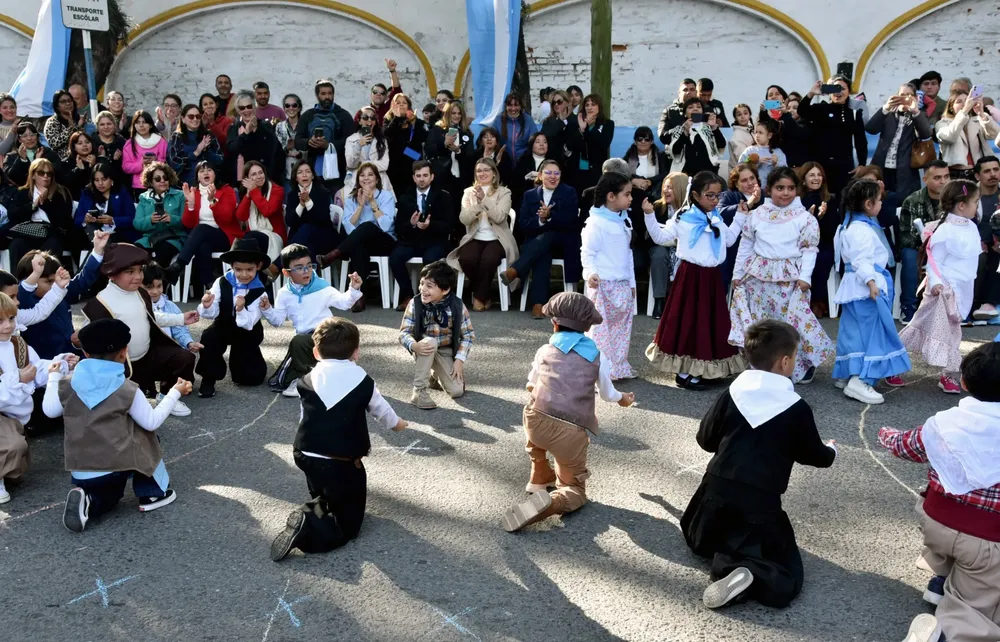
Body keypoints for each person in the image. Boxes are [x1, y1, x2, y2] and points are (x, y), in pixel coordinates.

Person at [680, 320, 837, 609]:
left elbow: (705, 438)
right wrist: (831, 452)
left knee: (701, 539)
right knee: (783, 567)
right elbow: (813, 455)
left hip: (714, 491)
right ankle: (745, 569)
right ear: (785, 361)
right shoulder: (795, 407)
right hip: (759, 501)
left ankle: (728, 561)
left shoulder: (733, 392)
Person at [879, 342, 1000, 642]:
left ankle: (940, 579)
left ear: (964, 382)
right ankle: (948, 633)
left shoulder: (944, 423)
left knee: (948, 523)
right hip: (985, 542)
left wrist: (887, 434)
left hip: (936, 523)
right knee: (979, 601)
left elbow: (906, 446)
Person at [269, 317, 407, 562]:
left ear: (315, 352)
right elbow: (381, 410)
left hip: (304, 452)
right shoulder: (362, 380)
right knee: (349, 525)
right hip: (341, 461)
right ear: (356, 352)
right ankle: (309, 521)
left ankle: (321, 504)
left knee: (325, 489)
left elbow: (305, 415)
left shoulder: (306, 380)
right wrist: (397, 425)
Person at [501, 292, 634, 532]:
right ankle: (554, 501)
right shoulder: (597, 356)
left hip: (536, 423)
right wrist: (623, 399)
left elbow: (532, 382)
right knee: (575, 490)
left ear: (554, 323)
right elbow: (607, 394)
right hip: (569, 433)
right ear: (587, 326)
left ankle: (539, 475)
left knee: (534, 407)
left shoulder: (544, 350)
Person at [45, 318, 190, 529]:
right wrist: (174, 393)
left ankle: (87, 499)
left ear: (85, 353)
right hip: (114, 464)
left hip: (80, 468)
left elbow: (50, 411)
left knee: (106, 501)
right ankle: (152, 494)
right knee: (146, 435)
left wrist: (54, 377)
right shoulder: (126, 388)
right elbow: (151, 422)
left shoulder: (67, 384)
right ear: (124, 352)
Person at [729, 167, 833, 384]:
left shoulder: (805, 218)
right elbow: (746, 245)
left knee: (791, 324)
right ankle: (763, 364)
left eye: (790, 188)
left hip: (790, 280)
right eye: (779, 188)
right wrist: (737, 274)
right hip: (758, 278)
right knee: (762, 325)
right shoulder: (756, 215)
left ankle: (800, 365)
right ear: (769, 189)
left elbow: (809, 249)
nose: (785, 193)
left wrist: (806, 277)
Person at [645, 171, 748, 390]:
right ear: (695, 194)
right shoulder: (683, 216)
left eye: (717, 196)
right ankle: (684, 373)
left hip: (711, 277)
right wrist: (649, 216)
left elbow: (728, 240)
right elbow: (661, 238)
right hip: (691, 276)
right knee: (689, 322)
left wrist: (740, 216)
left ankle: (704, 368)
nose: (714, 200)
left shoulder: (715, 216)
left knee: (710, 323)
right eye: (709, 195)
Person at [82, 243, 199, 416]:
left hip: (148, 354)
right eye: (130, 272)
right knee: (131, 412)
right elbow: (88, 337)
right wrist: (78, 340)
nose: (138, 277)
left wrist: (180, 318)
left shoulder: (140, 293)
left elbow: (152, 315)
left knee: (184, 357)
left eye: (140, 270)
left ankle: (166, 395)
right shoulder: (99, 304)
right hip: (123, 366)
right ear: (112, 274)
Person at [832, 180, 912, 404]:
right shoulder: (861, 230)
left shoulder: (847, 226)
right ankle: (862, 379)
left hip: (854, 287)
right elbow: (861, 260)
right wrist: (871, 282)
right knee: (875, 333)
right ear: (869, 204)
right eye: (879, 201)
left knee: (854, 331)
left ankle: (849, 371)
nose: (880, 205)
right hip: (866, 288)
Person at [900, 179, 982, 394]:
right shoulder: (945, 230)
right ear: (962, 205)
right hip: (943, 290)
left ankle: (947, 373)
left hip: (962, 288)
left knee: (950, 330)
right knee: (927, 327)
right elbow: (933, 261)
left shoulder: (971, 227)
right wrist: (937, 284)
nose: (977, 206)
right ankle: (948, 373)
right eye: (975, 201)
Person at [0, 292, 77, 504]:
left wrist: (60, 363)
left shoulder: (18, 344)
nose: (7, 326)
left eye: (11, 319)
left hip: (14, 413)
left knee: (18, 461)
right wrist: (18, 378)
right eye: (0, 321)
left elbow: (38, 368)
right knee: (12, 447)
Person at [262, 244, 362, 397]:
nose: (306, 271)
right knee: (299, 344)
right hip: (307, 342)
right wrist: (267, 309)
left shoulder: (321, 287)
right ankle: (314, 378)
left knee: (299, 341)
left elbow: (344, 303)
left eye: (309, 266)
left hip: (327, 336)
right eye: (299, 267)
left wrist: (353, 289)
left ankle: (306, 381)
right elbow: (277, 321)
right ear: (286, 273)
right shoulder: (284, 293)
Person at [501, 159, 581, 319]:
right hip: (538, 243)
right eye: (549, 173)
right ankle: (539, 304)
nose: (553, 176)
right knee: (542, 252)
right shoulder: (530, 195)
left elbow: (572, 221)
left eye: (556, 173)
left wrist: (551, 216)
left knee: (548, 236)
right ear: (540, 175)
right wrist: (540, 221)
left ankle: (515, 270)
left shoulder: (569, 192)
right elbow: (523, 225)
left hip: (563, 241)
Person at [195, 238, 272, 398]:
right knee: (209, 337)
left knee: (250, 378)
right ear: (231, 266)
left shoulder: (259, 290)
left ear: (258, 266)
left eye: (250, 269)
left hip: (247, 331)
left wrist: (241, 308)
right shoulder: (222, 282)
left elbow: (249, 323)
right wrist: (207, 305)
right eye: (238, 269)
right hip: (223, 325)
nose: (244, 274)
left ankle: (243, 362)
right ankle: (209, 378)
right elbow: (211, 313)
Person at [17, 231, 107, 361]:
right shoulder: (24, 303)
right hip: (43, 365)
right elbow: (22, 293)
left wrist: (97, 250)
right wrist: (36, 273)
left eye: (56, 280)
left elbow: (83, 280)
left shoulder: (61, 291)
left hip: (72, 357)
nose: (55, 285)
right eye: (48, 281)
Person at [319, 162, 397, 312]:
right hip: (359, 242)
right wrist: (361, 206)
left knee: (367, 226)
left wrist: (373, 203)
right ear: (358, 179)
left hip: (384, 241)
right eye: (362, 175)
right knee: (358, 244)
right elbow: (349, 229)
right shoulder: (352, 199)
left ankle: (335, 254)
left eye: (370, 175)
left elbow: (386, 226)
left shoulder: (386, 196)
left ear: (377, 179)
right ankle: (359, 295)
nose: (366, 178)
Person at [582, 172, 637, 379]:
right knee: (600, 331)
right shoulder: (596, 223)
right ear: (611, 196)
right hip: (603, 285)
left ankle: (618, 366)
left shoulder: (623, 221)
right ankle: (600, 371)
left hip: (621, 284)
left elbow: (628, 253)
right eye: (627, 194)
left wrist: (631, 282)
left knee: (621, 330)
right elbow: (587, 252)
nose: (630, 198)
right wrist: (591, 273)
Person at [398, 260, 474, 409]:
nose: (423, 289)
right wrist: (414, 345)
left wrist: (459, 360)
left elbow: (468, 336)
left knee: (457, 391)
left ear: (445, 290)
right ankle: (418, 391)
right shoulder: (416, 303)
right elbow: (404, 333)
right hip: (423, 348)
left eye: (429, 286)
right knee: (430, 342)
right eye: (421, 283)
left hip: (446, 350)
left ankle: (435, 376)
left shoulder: (457, 306)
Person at [448, 158, 516, 312]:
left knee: (489, 259)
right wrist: (478, 204)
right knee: (466, 258)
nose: (482, 173)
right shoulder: (468, 192)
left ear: (494, 173)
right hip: (474, 237)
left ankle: (479, 297)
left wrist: (485, 200)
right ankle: (485, 295)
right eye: (479, 170)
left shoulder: (504, 192)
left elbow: (499, 217)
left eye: (486, 170)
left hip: (497, 238)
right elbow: (464, 219)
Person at [164, 161, 240, 291]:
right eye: (201, 171)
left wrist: (213, 201)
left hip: (224, 236)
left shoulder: (227, 190)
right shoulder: (195, 193)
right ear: (197, 176)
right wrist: (191, 204)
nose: (205, 173)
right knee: (203, 245)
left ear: (215, 174)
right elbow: (187, 224)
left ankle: (178, 266)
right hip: (201, 238)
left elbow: (226, 218)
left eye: (209, 170)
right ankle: (210, 285)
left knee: (201, 228)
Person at [389, 161, 453, 311]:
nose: (422, 179)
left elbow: (449, 225)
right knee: (396, 257)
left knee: (431, 259)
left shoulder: (443, 197)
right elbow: (398, 228)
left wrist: (430, 225)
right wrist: (412, 224)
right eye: (418, 176)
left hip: (434, 241)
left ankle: (430, 298)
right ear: (413, 178)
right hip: (412, 241)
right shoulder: (405, 197)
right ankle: (408, 297)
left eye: (425, 175)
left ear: (432, 177)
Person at [899, 160, 951, 322]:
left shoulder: (956, 199)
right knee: (908, 255)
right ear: (925, 179)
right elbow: (905, 235)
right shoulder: (912, 200)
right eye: (937, 178)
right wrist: (925, 244)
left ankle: (960, 307)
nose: (943, 181)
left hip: (949, 248)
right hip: (920, 247)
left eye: (946, 176)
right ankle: (909, 307)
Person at [797, 78, 867, 194]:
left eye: (843, 88)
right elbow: (802, 111)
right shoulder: (821, 109)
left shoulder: (854, 114)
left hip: (844, 166)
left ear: (849, 91)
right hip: (822, 166)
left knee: (841, 199)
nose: (839, 92)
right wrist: (812, 93)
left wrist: (862, 164)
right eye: (835, 88)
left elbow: (861, 141)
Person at [6, 158, 77, 271]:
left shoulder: (60, 194)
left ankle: (47, 281)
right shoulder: (22, 192)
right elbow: (13, 214)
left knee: (53, 244)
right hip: (27, 232)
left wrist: (45, 203)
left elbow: (65, 220)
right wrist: (33, 206)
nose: (46, 176)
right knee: (16, 245)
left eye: (49, 174)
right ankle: (18, 283)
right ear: (33, 175)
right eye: (41, 173)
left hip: (51, 232)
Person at [867, 83, 932, 199]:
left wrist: (915, 112)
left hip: (905, 170)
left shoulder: (918, 115)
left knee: (902, 203)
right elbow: (871, 129)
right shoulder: (888, 113)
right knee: (877, 199)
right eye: (902, 95)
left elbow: (926, 134)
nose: (905, 98)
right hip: (882, 168)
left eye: (909, 95)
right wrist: (885, 108)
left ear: (916, 98)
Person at [294, 79, 356, 194]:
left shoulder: (344, 115)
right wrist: (309, 142)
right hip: (313, 170)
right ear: (317, 95)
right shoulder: (308, 116)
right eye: (323, 94)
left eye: (330, 93)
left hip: (338, 170)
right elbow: (297, 140)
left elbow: (351, 141)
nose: (327, 97)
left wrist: (329, 145)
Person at [797, 162, 839, 317]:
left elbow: (832, 231)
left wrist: (821, 218)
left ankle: (817, 300)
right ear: (804, 179)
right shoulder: (797, 200)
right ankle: (801, 300)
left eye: (819, 174)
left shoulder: (830, 200)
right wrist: (810, 218)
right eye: (812, 175)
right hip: (800, 244)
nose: (816, 178)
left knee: (823, 257)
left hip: (823, 243)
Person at [644, 172, 687, 318]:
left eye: (671, 188)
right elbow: (649, 236)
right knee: (659, 254)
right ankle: (659, 301)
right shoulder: (656, 207)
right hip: (659, 246)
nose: (666, 191)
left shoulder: (690, 211)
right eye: (665, 187)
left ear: (681, 189)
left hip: (683, 248)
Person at [284, 160, 338, 265]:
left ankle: (279, 264)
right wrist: (301, 205)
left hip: (323, 236)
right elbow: (290, 221)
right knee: (308, 246)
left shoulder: (322, 193)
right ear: (296, 178)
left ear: (312, 176)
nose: (304, 175)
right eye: (300, 172)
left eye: (308, 171)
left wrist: (308, 202)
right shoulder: (292, 195)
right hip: (302, 240)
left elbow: (321, 219)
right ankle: (311, 279)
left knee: (307, 228)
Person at [133, 162, 187, 268]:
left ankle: (159, 282)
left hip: (173, 237)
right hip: (150, 238)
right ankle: (143, 282)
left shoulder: (180, 195)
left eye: (165, 178)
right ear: (151, 182)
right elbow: (136, 223)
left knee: (163, 251)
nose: (162, 181)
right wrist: (150, 220)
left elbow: (187, 221)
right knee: (136, 252)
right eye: (157, 179)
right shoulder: (144, 198)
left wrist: (172, 219)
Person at [718, 163, 763, 289]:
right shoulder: (729, 195)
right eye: (744, 180)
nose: (750, 183)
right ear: (736, 184)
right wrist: (748, 204)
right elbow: (720, 213)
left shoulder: (766, 196)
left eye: (752, 178)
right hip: (735, 248)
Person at [935, 90, 999, 180]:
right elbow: (949, 137)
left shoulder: (976, 121)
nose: (965, 104)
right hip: (955, 173)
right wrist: (964, 111)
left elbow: (994, 134)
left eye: (967, 100)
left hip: (978, 171)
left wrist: (981, 113)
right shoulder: (942, 123)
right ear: (951, 107)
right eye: (959, 101)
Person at [424, 101, 474, 211]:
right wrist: (444, 144)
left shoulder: (467, 133)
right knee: (443, 208)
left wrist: (459, 152)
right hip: (442, 176)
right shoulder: (438, 129)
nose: (457, 116)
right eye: (453, 113)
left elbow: (470, 157)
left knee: (459, 208)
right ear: (448, 114)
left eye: (459, 113)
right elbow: (429, 150)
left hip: (461, 178)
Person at [142, 263, 202, 355]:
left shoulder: (170, 306)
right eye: (149, 287)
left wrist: (189, 343)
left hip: (167, 349)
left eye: (159, 286)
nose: (155, 291)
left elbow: (180, 329)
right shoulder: (137, 306)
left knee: (186, 357)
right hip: (145, 351)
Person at [236, 160, 286, 266]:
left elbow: (267, 211)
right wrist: (248, 196)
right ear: (247, 179)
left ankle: (236, 268)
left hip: (274, 236)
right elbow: (241, 216)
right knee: (252, 241)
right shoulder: (248, 193)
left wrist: (254, 192)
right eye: (254, 174)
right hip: (254, 238)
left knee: (250, 238)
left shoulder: (277, 190)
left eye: (261, 172)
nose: (259, 176)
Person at [227, 90, 282, 185]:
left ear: (254, 107)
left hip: (265, 179)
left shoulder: (266, 126)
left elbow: (276, 153)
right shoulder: (234, 128)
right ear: (238, 110)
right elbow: (232, 150)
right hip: (244, 180)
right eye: (242, 108)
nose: (246, 110)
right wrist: (246, 132)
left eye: (249, 106)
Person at [74, 163, 136, 242]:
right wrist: (85, 219)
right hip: (92, 236)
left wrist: (113, 220)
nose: (100, 183)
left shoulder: (121, 192)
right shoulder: (86, 193)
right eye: (96, 180)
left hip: (119, 235)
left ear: (111, 179)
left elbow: (132, 218)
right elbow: (77, 220)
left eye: (104, 179)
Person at [667, 97, 726, 176]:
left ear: (702, 111)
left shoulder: (709, 128)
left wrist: (714, 128)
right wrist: (685, 132)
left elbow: (721, 145)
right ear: (685, 113)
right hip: (685, 175)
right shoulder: (679, 129)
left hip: (708, 174)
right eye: (690, 107)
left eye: (698, 107)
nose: (695, 109)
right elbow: (675, 151)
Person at [168, 104, 224, 186]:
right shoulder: (177, 137)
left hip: (209, 185)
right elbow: (174, 163)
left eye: (198, 116)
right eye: (191, 116)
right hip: (184, 185)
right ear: (183, 119)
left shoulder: (208, 135)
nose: (195, 119)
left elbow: (220, 159)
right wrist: (195, 153)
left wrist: (206, 151)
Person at [973, 155, 1000, 320]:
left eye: (996, 170)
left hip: (998, 246)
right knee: (980, 258)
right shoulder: (968, 195)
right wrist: (976, 243)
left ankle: (989, 304)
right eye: (987, 171)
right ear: (977, 176)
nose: (993, 174)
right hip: (975, 246)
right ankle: (974, 305)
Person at [383, 93, 427, 195]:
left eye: (404, 102)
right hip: (394, 168)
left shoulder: (417, 123)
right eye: (398, 102)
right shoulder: (388, 120)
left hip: (412, 167)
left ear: (409, 106)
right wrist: (397, 119)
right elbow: (386, 136)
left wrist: (404, 150)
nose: (401, 105)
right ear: (393, 105)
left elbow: (417, 147)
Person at [344, 106, 393, 195]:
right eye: (365, 117)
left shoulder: (382, 140)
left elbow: (385, 165)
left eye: (373, 118)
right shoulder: (351, 139)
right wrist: (359, 145)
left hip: (380, 183)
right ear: (359, 121)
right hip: (358, 183)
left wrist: (362, 164)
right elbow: (350, 164)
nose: (369, 120)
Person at [540, 91, 582, 191]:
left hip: (572, 167)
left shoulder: (576, 120)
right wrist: (561, 122)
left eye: (559, 101)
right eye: (553, 103)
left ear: (567, 102)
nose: (556, 104)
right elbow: (548, 136)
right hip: (554, 165)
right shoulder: (548, 121)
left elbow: (578, 142)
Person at [575, 94, 615, 194]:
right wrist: (582, 129)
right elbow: (574, 145)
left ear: (599, 106)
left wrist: (592, 127)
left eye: (593, 104)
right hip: (579, 170)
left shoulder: (608, 124)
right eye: (587, 105)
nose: (589, 107)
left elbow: (604, 143)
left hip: (597, 170)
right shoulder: (579, 122)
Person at [121, 111, 167, 196]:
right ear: (134, 125)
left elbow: (166, 161)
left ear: (150, 125)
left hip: (159, 183)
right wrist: (141, 163)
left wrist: (155, 162)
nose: (141, 125)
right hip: (139, 186)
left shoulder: (161, 141)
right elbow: (126, 167)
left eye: (144, 122)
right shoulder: (129, 144)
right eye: (138, 122)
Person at [511, 132, 551, 226]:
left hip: (546, 201)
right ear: (531, 145)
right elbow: (515, 184)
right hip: (525, 201)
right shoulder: (523, 160)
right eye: (537, 142)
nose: (541, 144)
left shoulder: (553, 162)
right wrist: (528, 181)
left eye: (544, 142)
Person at [493, 92, 537, 176]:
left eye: (516, 105)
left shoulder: (528, 120)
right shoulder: (498, 120)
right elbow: (492, 138)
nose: (513, 108)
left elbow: (534, 140)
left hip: (523, 164)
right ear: (505, 106)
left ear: (520, 106)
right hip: (504, 164)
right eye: (510, 105)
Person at [3, 122, 59, 188]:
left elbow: (57, 174)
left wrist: (40, 163)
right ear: (19, 139)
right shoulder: (11, 156)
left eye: (32, 135)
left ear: (37, 137)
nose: (29, 138)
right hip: (22, 194)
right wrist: (22, 159)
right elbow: (10, 178)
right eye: (24, 136)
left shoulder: (48, 152)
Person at [738, 119, 786, 187]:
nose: (757, 135)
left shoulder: (777, 152)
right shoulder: (750, 150)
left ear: (769, 135)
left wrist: (776, 164)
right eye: (755, 132)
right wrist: (755, 162)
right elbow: (740, 166)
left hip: (772, 189)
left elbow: (786, 171)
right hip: (753, 188)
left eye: (760, 133)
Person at [354, 58, 403, 124]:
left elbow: (397, 90)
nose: (378, 94)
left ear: (386, 97)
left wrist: (392, 71)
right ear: (371, 95)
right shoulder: (363, 112)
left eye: (382, 93)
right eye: (375, 92)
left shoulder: (390, 108)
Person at [44, 90, 83, 162]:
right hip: (63, 161)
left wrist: (81, 126)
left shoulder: (81, 119)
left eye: (69, 100)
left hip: (83, 158)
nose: (68, 103)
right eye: (63, 102)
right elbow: (54, 143)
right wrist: (70, 129)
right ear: (57, 106)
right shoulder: (52, 122)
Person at [275, 93, 303, 185]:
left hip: (304, 172)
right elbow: (277, 149)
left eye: (294, 105)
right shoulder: (279, 126)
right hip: (287, 173)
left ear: (299, 108)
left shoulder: (305, 125)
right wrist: (287, 148)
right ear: (284, 108)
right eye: (287, 105)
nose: (291, 108)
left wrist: (300, 152)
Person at [93, 111, 127, 187]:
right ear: (97, 127)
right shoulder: (91, 142)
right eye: (102, 124)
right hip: (97, 186)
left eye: (109, 124)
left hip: (119, 185)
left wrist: (117, 160)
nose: (106, 127)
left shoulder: (123, 142)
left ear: (114, 125)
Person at [62, 131, 97, 200]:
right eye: (80, 143)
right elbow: (67, 184)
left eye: (87, 142)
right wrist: (79, 170)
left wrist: (94, 166)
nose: (84, 145)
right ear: (74, 147)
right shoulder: (66, 163)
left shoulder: (98, 160)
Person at [727, 103, 755, 168]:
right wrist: (758, 159)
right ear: (735, 118)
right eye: (739, 114)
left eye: (745, 113)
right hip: (740, 173)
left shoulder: (753, 130)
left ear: (750, 115)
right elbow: (743, 159)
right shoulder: (736, 136)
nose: (742, 116)